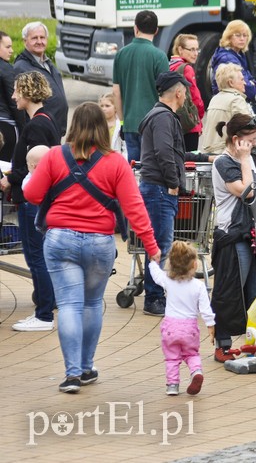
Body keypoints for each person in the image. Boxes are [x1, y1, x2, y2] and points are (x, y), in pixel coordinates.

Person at [24, 102, 160, 392]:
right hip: (100, 242)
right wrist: (152, 247)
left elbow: (33, 195)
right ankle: (87, 367)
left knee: (70, 306)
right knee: (92, 304)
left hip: (60, 240)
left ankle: (72, 374)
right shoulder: (116, 163)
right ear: (102, 127)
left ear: (73, 125)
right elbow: (134, 209)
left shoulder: (54, 157)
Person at [138, 71, 212, 317]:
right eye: (186, 92)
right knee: (161, 245)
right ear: (179, 93)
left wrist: (204, 157)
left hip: (158, 187)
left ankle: (155, 293)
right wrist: (173, 183)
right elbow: (164, 152)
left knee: (160, 243)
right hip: (160, 189)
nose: (187, 96)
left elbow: (175, 153)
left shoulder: (160, 116)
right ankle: (154, 297)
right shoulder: (164, 118)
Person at [209, 113, 256, 362]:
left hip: (251, 231)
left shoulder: (247, 159)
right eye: (250, 139)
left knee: (253, 289)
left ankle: (251, 339)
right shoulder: (224, 163)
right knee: (230, 289)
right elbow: (247, 192)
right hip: (232, 234)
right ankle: (222, 344)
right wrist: (245, 159)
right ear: (236, 140)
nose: (254, 144)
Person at [2, 72, 60, 332]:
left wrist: (11, 180)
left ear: (26, 93)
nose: (13, 96)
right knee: (37, 255)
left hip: (32, 199)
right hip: (36, 198)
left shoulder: (36, 125)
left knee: (36, 256)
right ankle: (46, 305)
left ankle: (44, 313)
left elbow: (36, 168)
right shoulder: (45, 120)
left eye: (16, 91)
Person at [149, 240, 215, 396]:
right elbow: (206, 309)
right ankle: (196, 372)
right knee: (191, 354)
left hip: (171, 328)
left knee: (172, 358)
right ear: (194, 265)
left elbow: (156, 275)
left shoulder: (168, 280)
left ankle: (172, 385)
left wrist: (153, 262)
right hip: (190, 328)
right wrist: (211, 326)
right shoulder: (198, 286)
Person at [111, 10, 170, 161]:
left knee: (134, 169)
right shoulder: (159, 57)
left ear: (135, 28)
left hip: (130, 123)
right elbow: (165, 94)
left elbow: (116, 92)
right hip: (152, 124)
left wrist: (123, 121)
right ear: (156, 30)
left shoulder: (121, 54)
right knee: (150, 170)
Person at [13, 21, 68, 136]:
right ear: (25, 41)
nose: (39, 41)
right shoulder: (22, 67)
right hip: (40, 130)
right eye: (34, 38)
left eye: (42, 37)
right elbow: (20, 106)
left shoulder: (48, 63)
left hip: (54, 128)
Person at [200, 63, 253, 154]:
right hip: (226, 153)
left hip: (208, 152)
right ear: (231, 83)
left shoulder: (215, 99)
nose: (244, 83)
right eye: (242, 79)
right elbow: (249, 128)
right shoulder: (236, 100)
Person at [169, 33, 206, 151]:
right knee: (190, 163)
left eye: (197, 50)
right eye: (191, 49)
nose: (195, 53)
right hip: (189, 123)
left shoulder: (169, 65)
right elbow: (196, 98)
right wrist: (198, 119)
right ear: (180, 49)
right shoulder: (187, 68)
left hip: (175, 120)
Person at [210, 20, 256, 107]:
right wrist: (252, 84)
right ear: (229, 37)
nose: (242, 39)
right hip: (231, 106)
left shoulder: (238, 54)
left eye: (245, 35)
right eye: (238, 35)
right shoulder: (228, 59)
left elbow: (250, 78)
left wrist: (252, 82)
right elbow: (249, 91)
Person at [0, 30, 23, 162]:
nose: (12, 51)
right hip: (6, 126)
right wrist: (24, 128)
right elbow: (14, 101)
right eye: (7, 47)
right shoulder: (6, 69)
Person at [99, 91, 124, 157]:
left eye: (107, 106)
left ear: (116, 107)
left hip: (116, 158)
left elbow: (124, 147)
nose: (104, 109)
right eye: (102, 106)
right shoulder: (97, 125)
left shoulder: (120, 126)